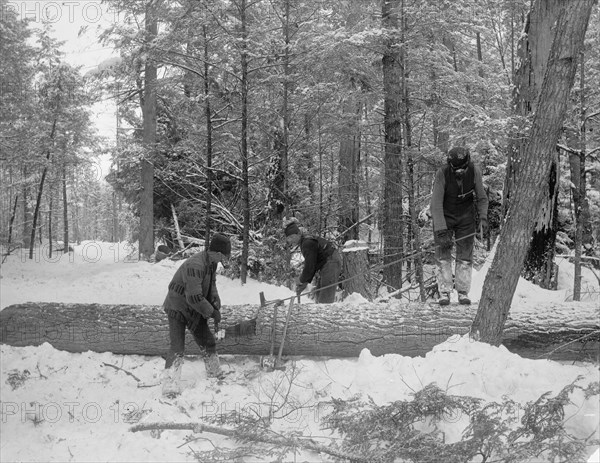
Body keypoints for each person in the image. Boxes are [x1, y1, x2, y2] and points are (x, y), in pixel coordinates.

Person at [161, 233, 231, 393]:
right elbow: (194, 297)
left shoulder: (211, 264)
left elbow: (211, 285)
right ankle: (170, 385)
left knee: (208, 341)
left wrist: (215, 301)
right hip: (177, 306)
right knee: (177, 347)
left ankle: (214, 373)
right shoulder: (196, 264)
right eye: (223, 257)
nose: (223, 260)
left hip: (193, 308)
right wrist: (211, 312)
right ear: (218, 253)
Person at [430, 146, 488, 305]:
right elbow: (435, 203)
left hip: (466, 218)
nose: (459, 172)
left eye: (462, 168)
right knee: (443, 256)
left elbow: (482, 197)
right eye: (456, 169)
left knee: (465, 256)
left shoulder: (474, 171)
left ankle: (463, 292)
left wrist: (483, 218)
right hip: (445, 216)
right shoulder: (442, 173)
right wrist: (441, 229)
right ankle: (444, 292)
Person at [284, 221, 341, 304]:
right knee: (319, 293)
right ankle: (320, 312)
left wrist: (301, 280)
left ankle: (325, 315)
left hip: (331, 262)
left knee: (325, 295)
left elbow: (309, 266)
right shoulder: (305, 241)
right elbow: (312, 264)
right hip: (327, 263)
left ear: (299, 233)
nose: (291, 240)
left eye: (292, 237)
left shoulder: (307, 243)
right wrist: (304, 282)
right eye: (289, 238)